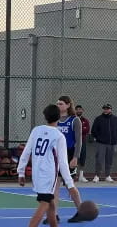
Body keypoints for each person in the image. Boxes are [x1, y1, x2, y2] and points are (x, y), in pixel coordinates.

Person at [18, 104, 83, 227]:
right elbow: (63, 163)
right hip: (48, 176)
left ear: (45, 116)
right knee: (45, 204)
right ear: (59, 117)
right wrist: (70, 184)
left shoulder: (36, 130)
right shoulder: (59, 136)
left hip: (36, 174)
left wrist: (21, 172)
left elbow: (26, 152)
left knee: (51, 203)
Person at [43, 96, 82, 224]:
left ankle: (80, 211)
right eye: (57, 103)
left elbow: (79, 141)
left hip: (69, 154)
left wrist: (76, 157)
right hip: (55, 155)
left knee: (69, 185)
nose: (58, 105)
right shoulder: (55, 120)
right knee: (55, 186)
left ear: (68, 105)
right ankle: (54, 214)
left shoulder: (74, 120)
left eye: (61, 103)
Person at [91, 103, 117, 183]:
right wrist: (98, 138)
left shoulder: (116, 119)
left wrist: (116, 139)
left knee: (109, 160)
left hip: (112, 144)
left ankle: (107, 176)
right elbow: (93, 131)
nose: (106, 110)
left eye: (107, 108)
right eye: (104, 108)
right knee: (99, 160)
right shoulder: (98, 119)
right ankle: (97, 176)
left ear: (110, 109)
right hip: (101, 143)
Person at [75, 105, 90, 183]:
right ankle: (72, 175)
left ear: (82, 110)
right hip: (73, 142)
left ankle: (81, 176)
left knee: (82, 158)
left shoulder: (85, 120)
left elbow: (86, 130)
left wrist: (79, 131)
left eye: (80, 109)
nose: (79, 111)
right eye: (77, 109)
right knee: (73, 158)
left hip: (82, 141)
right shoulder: (72, 119)